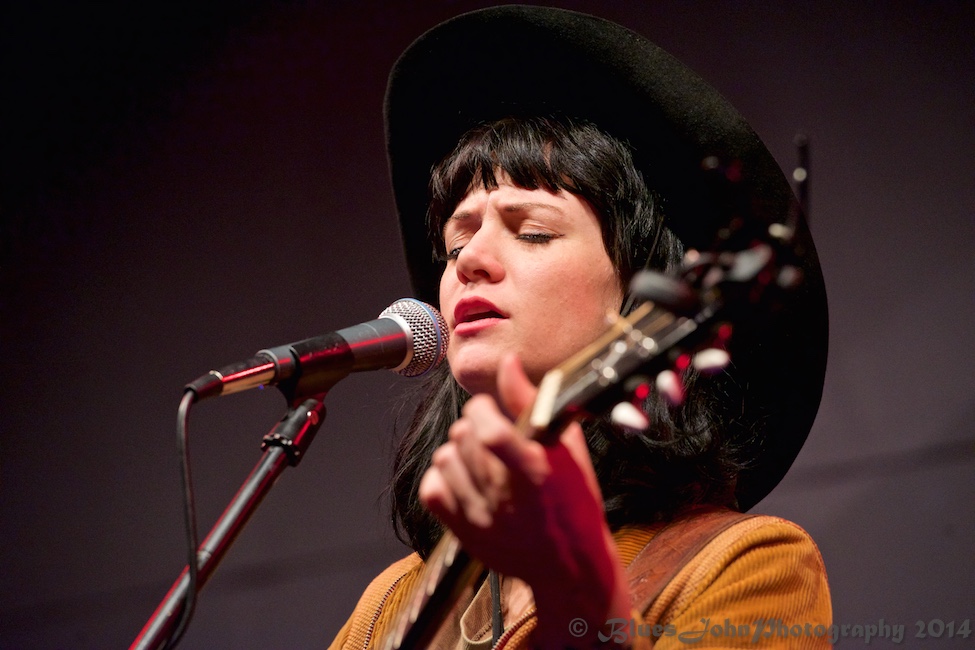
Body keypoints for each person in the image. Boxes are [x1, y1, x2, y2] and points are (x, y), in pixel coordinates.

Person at [330, 6, 831, 649]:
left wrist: (575, 591)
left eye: (533, 231)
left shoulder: (745, 564)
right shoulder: (389, 604)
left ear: (640, 296)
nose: (469, 261)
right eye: (455, 246)